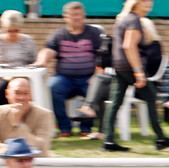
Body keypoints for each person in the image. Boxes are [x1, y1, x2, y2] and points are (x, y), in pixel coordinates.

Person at [102, 0, 169, 153]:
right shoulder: (133, 20)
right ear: (136, 3)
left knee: (115, 102)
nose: (149, 3)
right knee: (150, 95)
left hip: (119, 66)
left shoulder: (123, 19)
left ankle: (108, 141)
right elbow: (129, 46)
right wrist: (139, 72)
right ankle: (160, 139)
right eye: (145, 0)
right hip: (129, 66)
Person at [34, 1, 100, 138]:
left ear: (84, 16)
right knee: (52, 86)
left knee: (96, 87)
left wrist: (97, 75)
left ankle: (86, 127)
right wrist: (42, 60)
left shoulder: (94, 33)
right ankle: (65, 127)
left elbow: (102, 56)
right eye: (73, 15)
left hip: (89, 77)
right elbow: (48, 50)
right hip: (64, 78)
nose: (76, 17)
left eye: (79, 14)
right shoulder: (58, 34)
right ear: (65, 17)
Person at [74, 24, 110, 140]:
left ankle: (89, 122)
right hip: (95, 81)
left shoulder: (107, 47)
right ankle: (100, 131)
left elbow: (102, 67)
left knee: (96, 87)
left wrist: (95, 76)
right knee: (96, 89)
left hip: (111, 82)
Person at [0, 78, 53, 155]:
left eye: (25, 93)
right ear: (7, 94)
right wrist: (17, 149)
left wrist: (19, 123)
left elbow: (42, 147)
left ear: (31, 95)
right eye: (17, 93)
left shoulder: (44, 114)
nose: (21, 98)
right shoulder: (1, 113)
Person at [0, 10, 37, 105]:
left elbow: (34, 62)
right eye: (9, 30)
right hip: (3, 77)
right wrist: (7, 76)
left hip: (24, 76)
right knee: (3, 86)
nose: (13, 34)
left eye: (16, 30)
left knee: (22, 87)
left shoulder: (28, 41)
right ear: (4, 28)